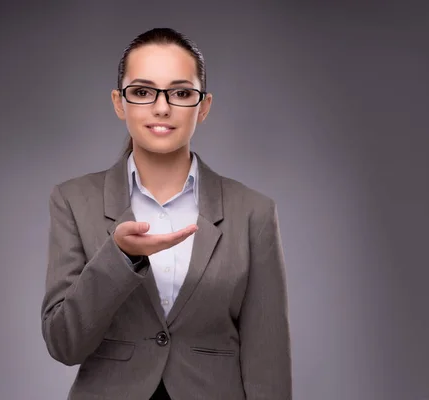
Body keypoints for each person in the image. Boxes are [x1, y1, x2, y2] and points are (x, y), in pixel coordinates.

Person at [41, 27, 292, 400]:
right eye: (142, 92)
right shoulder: (74, 200)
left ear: (203, 106)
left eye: (180, 93)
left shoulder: (253, 212)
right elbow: (64, 344)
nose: (162, 107)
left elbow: (268, 363)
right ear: (118, 102)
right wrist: (120, 257)